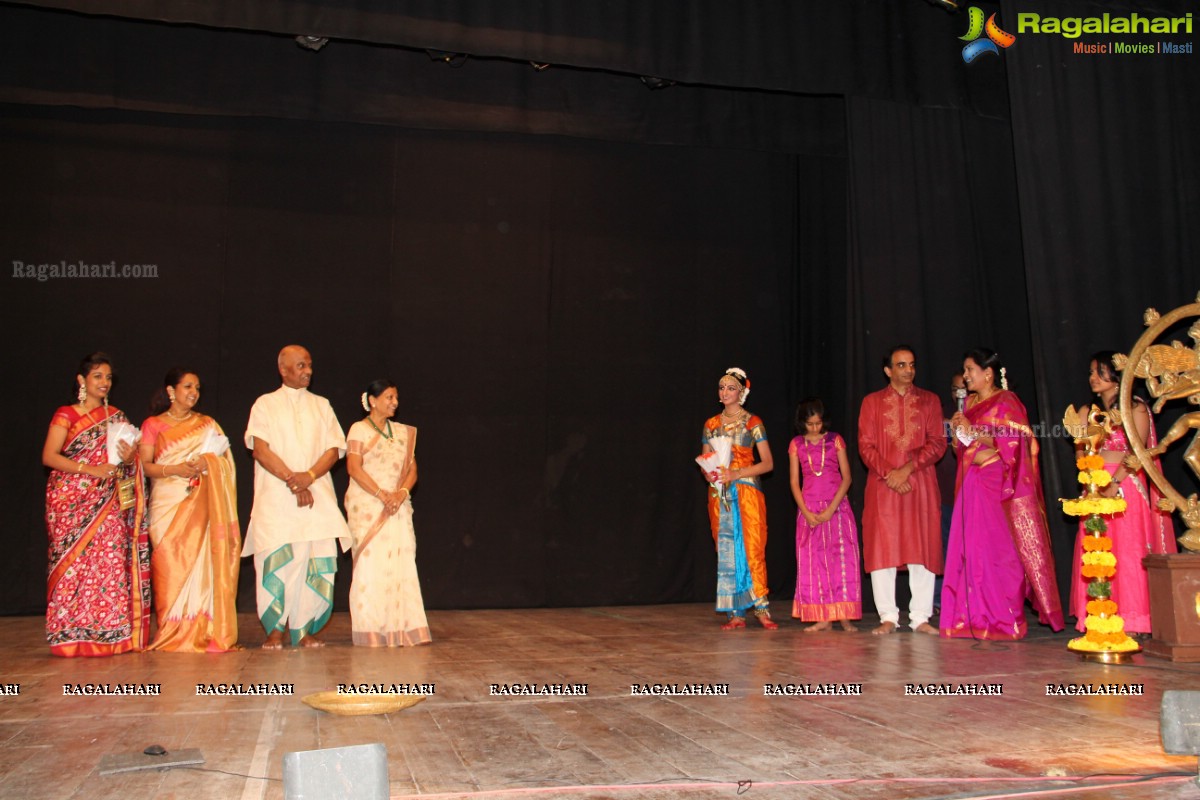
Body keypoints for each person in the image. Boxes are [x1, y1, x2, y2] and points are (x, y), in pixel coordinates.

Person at [943, 348, 1064, 639]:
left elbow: (1015, 441)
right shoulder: (969, 402)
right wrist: (958, 434)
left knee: (999, 550)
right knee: (971, 548)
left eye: (970, 370)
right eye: (965, 370)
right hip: (972, 480)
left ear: (988, 373)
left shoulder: (1007, 401)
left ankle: (1003, 618)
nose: (967, 376)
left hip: (998, 481)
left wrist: (972, 430)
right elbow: (962, 447)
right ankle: (971, 617)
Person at [41, 352, 150, 656]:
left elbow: (128, 464)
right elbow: (49, 456)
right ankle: (68, 634)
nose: (104, 382)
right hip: (70, 500)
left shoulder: (117, 416)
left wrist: (129, 459)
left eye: (108, 377)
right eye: (97, 376)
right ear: (82, 380)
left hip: (109, 501)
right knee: (73, 568)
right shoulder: (67, 414)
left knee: (108, 563)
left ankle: (109, 633)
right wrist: (90, 470)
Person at [243, 345, 352, 649]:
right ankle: (275, 630)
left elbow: (333, 449)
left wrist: (309, 478)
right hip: (277, 500)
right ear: (283, 369)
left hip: (317, 497)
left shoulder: (322, 405)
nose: (308, 371)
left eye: (310, 365)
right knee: (278, 560)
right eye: (301, 366)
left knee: (316, 559)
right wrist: (294, 480)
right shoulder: (265, 404)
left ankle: (304, 629)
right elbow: (260, 450)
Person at [1069, 351, 1176, 635]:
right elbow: (1082, 449)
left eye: (1099, 372)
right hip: (1094, 486)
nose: (1092, 378)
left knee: (1127, 554)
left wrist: (1113, 484)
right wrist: (1086, 457)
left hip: (1124, 487)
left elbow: (1137, 451)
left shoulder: (1135, 407)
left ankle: (1135, 619)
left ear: (1116, 376)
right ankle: (1099, 616)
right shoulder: (1091, 412)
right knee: (1096, 553)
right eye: (1091, 372)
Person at [139, 368, 240, 652]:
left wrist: (207, 464)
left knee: (202, 566)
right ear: (171, 391)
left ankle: (204, 629)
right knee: (170, 562)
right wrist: (176, 469)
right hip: (166, 502)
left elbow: (226, 462)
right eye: (187, 386)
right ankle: (172, 631)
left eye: (197, 387)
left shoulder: (207, 424)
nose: (193, 392)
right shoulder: (153, 424)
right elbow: (145, 466)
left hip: (201, 500)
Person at [857, 345, 946, 635]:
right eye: (902, 365)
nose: (909, 370)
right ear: (888, 370)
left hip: (919, 482)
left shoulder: (930, 401)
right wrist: (889, 473)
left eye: (912, 365)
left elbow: (937, 443)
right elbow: (865, 445)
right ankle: (888, 616)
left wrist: (906, 469)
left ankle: (920, 616)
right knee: (883, 546)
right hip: (883, 485)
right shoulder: (871, 403)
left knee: (922, 545)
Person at [344, 380, 430, 646]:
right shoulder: (358, 429)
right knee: (371, 567)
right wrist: (382, 496)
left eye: (396, 397)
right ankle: (371, 631)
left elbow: (412, 469)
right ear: (372, 400)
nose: (395, 402)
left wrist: (400, 495)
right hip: (368, 507)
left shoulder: (402, 432)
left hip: (397, 506)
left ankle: (404, 629)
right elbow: (354, 468)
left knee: (401, 563)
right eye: (389, 397)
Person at [700, 367, 777, 630]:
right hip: (720, 493)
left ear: (742, 392)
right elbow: (705, 460)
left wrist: (736, 472)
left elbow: (767, 463)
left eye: (731, 387)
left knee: (753, 546)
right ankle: (736, 612)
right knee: (726, 549)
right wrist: (710, 473)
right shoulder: (711, 424)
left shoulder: (753, 422)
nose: (724, 392)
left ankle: (762, 608)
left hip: (746, 490)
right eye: (721, 387)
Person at [788, 398, 860, 631]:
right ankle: (822, 616)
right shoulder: (796, 444)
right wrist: (805, 511)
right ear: (803, 423)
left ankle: (844, 615)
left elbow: (847, 477)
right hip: (809, 509)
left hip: (836, 507)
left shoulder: (835, 440)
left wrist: (831, 509)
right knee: (814, 561)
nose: (815, 428)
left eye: (818, 423)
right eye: (810, 424)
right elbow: (793, 482)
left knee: (841, 559)